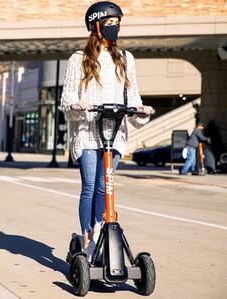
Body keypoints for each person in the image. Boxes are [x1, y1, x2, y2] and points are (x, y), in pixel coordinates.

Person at [60, 1, 154, 258]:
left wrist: (141, 109)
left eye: (117, 24)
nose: (115, 29)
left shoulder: (126, 59)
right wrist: (78, 105)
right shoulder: (78, 60)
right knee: (90, 186)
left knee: (105, 187)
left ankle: (102, 232)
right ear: (96, 26)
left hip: (114, 134)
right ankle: (88, 239)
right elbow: (66, 103)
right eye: (109, 24)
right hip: (88, 132)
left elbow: (132, 98)